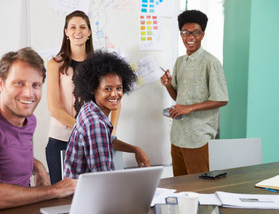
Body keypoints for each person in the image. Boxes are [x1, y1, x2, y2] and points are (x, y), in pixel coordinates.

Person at [0, 47, 77, 211]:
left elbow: (6, 151)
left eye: (35, 85)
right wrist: (56, 189)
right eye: (19, 83)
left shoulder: (29, 121)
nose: (28, 93)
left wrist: (37, 165)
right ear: (0, 83)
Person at [45, 11, 122, 184]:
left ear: (89, 32)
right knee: (62, 197)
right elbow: (53, 109)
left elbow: (115, 99)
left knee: (96, 192)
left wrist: (111, 131)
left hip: (95, 140)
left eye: (82, 27)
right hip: (61, 140)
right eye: (72, 27)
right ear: (66, 32)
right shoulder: (55, 64)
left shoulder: (101, 64)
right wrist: (84, 128)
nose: (77, 31)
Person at [160, 10, 228, 176]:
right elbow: (178, 97)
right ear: (181, 34)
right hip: (177, 136)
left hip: (198, 137)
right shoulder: (180, 62)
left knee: (199, 187)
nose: (190, 37)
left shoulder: (211, 62)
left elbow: (221, 99)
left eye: (195, 32)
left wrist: (189, 108)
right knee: (180, 185)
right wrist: (168, 85)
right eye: (185, 32)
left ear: (202, 34)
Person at [64, 50, 151, 179]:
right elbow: (104, 179)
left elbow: (106, 140)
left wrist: (135, 149)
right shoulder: (96, 124)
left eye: (119, 88)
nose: (115, 94)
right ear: (93, 88)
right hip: (86, 195)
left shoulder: (89, 108)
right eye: (108, 89)